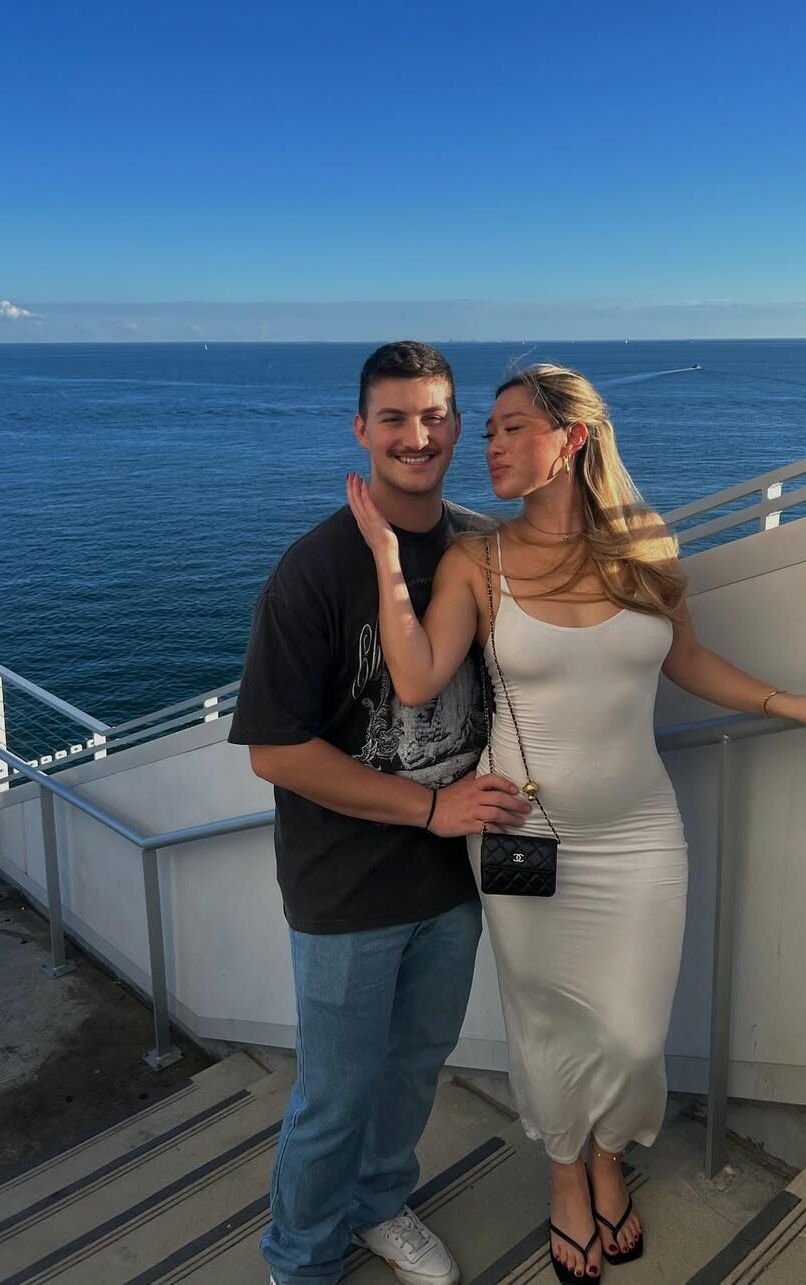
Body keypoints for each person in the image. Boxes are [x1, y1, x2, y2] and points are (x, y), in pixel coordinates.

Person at [346, 363, 806, 1283]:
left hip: (640, 833)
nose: (491, 445)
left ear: (572, 439)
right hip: (522, 836)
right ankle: (569, 1171)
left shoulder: (645, 543)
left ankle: (609, 1153)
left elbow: (688, 659)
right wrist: (387, 557)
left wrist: (786, 702)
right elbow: (415, 676)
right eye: (489, 431)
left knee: (634, 1036)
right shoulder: (478, 561)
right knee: (547, 1027)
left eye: (513, 428)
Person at [228, 341, 531, 1285]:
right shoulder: (314, 571)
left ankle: (377, 1204)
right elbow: (276, 750)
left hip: (455, 878)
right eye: (394, 417)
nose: (417, 435)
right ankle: (301, 1259)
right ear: (361, 430)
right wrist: (430, 806)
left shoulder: (483, 548)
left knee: (414, 1067)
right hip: (347, 889)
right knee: (336, 1093)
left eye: (435, 415)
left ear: (458, 425)